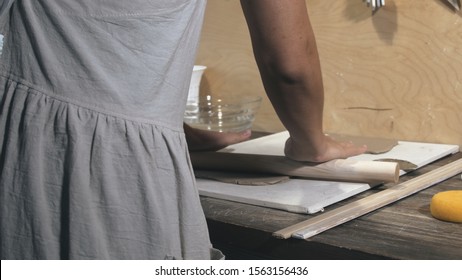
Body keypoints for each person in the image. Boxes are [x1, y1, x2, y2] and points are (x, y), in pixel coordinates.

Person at [0, 0, 366, 260]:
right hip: (113, 172)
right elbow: (289, 63)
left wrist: (171, 122)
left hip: (15, 139)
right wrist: (312, 143)